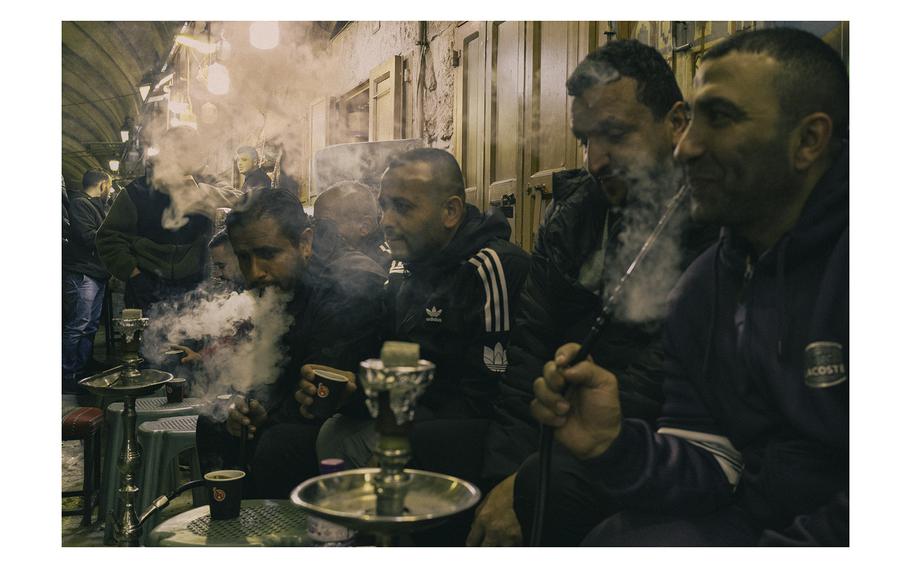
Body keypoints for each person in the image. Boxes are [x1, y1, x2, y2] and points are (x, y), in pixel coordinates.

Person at [516, 27, 848, 546]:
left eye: (720, 119)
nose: (688, 146)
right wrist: (614, 446)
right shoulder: (707, 285)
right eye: (692, 120)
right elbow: (710, 461)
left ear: (808, 140)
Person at [467, 39, 716, 546]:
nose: (596, 160)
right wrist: (505, 478)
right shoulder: (573, 220)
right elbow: (528, 356)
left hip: (651, 440)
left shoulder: (713, 220)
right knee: (446, 456)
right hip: (559, 426)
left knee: (545, 486)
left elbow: (667, 369)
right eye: (586, 140)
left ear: (676, 123)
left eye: (615, 135)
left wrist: (531, 476)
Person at [305, 148, 530, 472]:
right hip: (421, 415)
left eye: (403, 207)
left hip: (478, 433)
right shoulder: (404, 265)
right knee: (335, 432)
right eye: (383, 207)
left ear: (450, 211)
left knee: (402, 444)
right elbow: (393, 359)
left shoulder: (491, 268)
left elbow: (490, 399)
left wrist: (399, 434)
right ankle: (356, 518)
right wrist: (353, 391)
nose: (387, 222)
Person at [195, 188, 386, 499]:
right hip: (291, 410)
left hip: (343, 421)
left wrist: (266, 412)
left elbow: (319, 395)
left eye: (268, 254)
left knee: (277, 444)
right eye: (244, 257)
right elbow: (266, 366)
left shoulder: (347, 286)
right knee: (214, 423)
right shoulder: (280, 283)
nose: (254, 272)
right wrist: (242, 405)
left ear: (305, 243)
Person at [96, 127, 241, 313]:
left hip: (195, 286)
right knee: (149, 340)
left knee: (191, 339)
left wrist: (200, 192)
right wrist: (134, 274)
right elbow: (108, 238)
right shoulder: (136, 191)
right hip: (147, 285)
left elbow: (239, 199)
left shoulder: (205, 183)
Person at [62, 169, 113, 392]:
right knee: (78, 325)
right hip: (83, 273)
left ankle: (83, 366)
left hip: (96, 273)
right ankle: (67, 373)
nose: (109, 192)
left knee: (90, 325)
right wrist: (112, 231)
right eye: (109, 187)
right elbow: (87, 237)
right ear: (102, 185)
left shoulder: (94, 205)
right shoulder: (80, 204)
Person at [313, 181, 391, 272]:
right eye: (316, 224)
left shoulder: (383, 266)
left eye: (326, 225)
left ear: (365, 227)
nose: (318, 232)